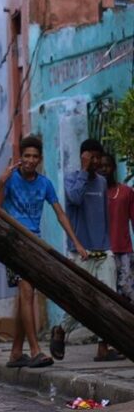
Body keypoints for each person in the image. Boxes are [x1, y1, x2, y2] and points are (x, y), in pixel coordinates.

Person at [0, 135, 85, 368]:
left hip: (35, 243)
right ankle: (34, 350)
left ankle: (16, 352)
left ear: (40, 159)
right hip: (13, 241)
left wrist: (77, 243)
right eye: (27, 156)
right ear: (20, 158)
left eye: (35, 157)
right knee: (27, 292)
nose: (30, 160)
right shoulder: (11, 179)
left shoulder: (44, 183)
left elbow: (60, 214)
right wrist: (1, 184)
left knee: (25, 297)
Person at [53, 139, 123, 362]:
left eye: (97, 158)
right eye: (90, 158)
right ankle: (61, 330)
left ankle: (104, 347)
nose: (95, 162)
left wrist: (108, 244)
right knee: (80, 299)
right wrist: (84, 171)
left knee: (108, 300)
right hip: (80, 252)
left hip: (103, 250)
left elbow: (103, 215)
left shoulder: (102, 183)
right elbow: (74, 198)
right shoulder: (71, 179)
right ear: (83, 157)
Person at [99, 153, 134, 304]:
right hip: (104, 252)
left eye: (106, 166)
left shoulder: (126, 192)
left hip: (124, 250)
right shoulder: (95, 194)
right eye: (100, 166)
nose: (103, 169)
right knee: (110, 292)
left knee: (128, 289)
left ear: (113, 168)